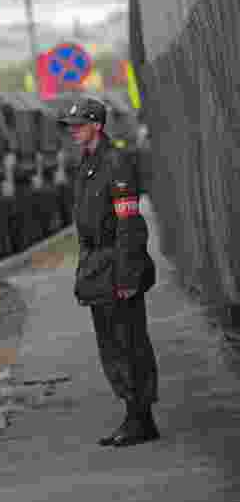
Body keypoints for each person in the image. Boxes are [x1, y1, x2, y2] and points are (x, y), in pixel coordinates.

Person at [58, 97, 159, 447]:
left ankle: (140, 418)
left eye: (79, 125)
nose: (73, 131)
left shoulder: (115, 163)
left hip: (117, 263)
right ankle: (133, 414)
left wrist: (128, 275)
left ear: (96, 126)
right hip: (99, 266)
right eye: (70, 125)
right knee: (111, 344)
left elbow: (129, 222)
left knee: (129, 343)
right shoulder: (86, 163)